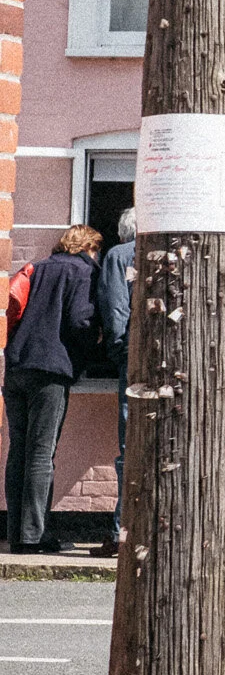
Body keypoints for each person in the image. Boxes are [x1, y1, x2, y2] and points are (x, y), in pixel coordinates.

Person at [4, 225, 101, 553]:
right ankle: (34, 536)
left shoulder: (38, 267)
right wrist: (93, 350)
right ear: (89, 247)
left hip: (17, 366)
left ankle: (15, 533)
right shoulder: (84, 271)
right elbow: (80, 321)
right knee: (41, 453)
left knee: (19, 451)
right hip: (50, 370)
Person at [93, 209, 138, 555]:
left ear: (124, 233)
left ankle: (122, 530)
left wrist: (117, 349)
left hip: (133, 356)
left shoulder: (118, 255)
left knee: (131, 443)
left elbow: (114, 308)